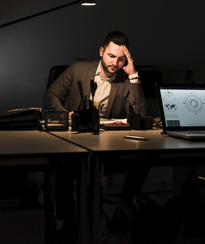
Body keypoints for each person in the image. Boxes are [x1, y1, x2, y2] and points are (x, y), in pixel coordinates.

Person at [43, 31, 150, 238]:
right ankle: (67, 221)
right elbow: (51, 95)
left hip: (108, 146)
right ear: (101, 51)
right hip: (75, 139)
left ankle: (123, 208)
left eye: (121, 59)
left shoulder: (127, 78)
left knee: (144, 158)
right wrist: (66, 115)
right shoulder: (78, 68)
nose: (115, 63)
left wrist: (133, 76)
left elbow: (140, 115)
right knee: (61, 161)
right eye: (111, 56)